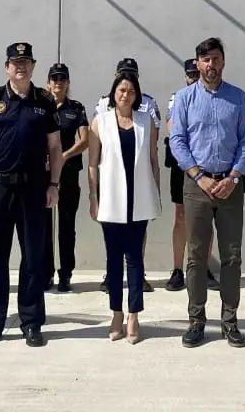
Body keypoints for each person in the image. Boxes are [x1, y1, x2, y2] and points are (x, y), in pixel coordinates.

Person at [0, 42, 64, 348]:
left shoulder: (44, 101)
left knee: (33, 257)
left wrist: (54, 184)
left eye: (25, 62)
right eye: (15, 62)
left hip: (34, 189)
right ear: (7, 67)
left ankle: (31, 322)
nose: (20, 66)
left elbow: (55, 147)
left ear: (33, 66)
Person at [169, 37, 245, 348]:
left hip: (230, 185)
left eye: (216, 59)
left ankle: (230, 321)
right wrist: (198, 176)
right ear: (197, 64)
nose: (211, 65)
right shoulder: (184, 98)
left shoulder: (238, 97)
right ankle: (196, 320)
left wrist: (233, 176)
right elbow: (177, 140)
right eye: (205, 60)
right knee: (196, 255)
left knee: (232, 256)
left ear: (223, 61)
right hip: (197, 186)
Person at [88, 70, 162, 343]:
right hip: (111, 200)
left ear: (137, 95)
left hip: (139, 198)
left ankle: (134, 315)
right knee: (113, 259)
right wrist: (93, 197)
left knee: (135, 258)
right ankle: (116, 313)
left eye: (131, 91)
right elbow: (92, 164)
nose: (125, 95)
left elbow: (153, 159)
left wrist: (156, 193)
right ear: (113, 93)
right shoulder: (101, 122)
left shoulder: (146, 121)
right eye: (121, 90)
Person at [94, 56, 157, 294]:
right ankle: (111, 277)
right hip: (112, 183)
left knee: (136, 240)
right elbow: (97, 149)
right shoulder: (103, 105)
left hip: (137, 181)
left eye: (132, 75)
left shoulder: (148, 105)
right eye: (122, 75)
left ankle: (138, 276)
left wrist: (154, 189)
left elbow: (152, 149)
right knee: (113, 240)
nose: (126, 93)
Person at [165, 59, 219, 293]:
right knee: (180, 217)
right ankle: (178, 269)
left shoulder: (214, 96)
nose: (193, 79)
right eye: (190, 75)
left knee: (207, 216)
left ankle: (203, 268)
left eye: (196, 75)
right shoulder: (178, 98)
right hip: (183, 164)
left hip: (207, 163)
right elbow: (173, 128)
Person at [45, 62, 89, 293]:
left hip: (69, 172)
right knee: (43, 226)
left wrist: (63, 156)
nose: (58, 82)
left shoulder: (76, 108)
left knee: (66, 225)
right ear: (48, 82)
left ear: (68, 82)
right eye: (55, 78)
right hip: (44, 174)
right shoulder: (41, 106)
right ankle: (45, 273)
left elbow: (85, 140)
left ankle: (65, 274)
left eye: (62, 78)